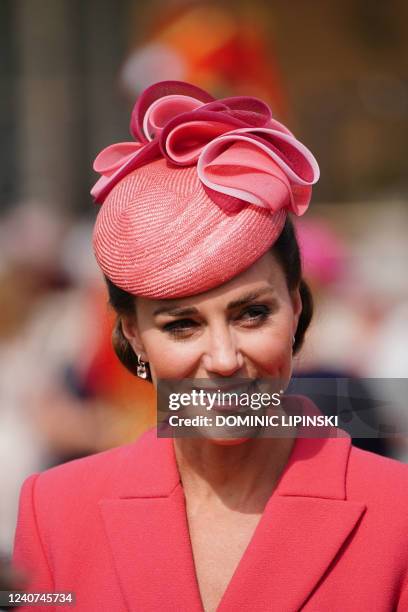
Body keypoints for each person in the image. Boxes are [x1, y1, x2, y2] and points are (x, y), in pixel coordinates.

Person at [13, 81, 408, 611]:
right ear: (133, 333)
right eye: (182, 325)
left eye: (252, 313)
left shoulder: (397, 513)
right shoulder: (55, 512)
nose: (223, 359)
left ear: (295, 303)